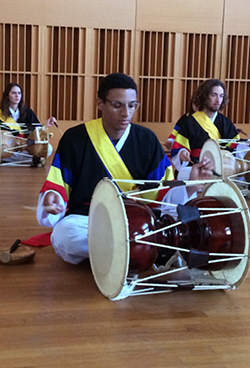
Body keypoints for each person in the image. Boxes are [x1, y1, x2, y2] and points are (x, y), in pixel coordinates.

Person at [37, 73, 213, 264]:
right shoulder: (75, 139)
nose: (126, 113)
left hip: (139, 223)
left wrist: (191, 185)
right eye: (117, 105)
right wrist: (52, 198)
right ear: (100, 104)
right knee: (65, 237)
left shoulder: (148, 140)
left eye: (132, 105)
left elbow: (162, 195)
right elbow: (57, 186)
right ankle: (138, 253)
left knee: (180, 229)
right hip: (90, 220)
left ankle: (115, 254)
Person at [168, 79, 250, 178]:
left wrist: (248, 141)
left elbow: (235, 148)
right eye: (214, 95)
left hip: (222, 170)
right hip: (197, 168)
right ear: (204, 96)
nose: (218, 100)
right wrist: (182, 153)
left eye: (221, 96)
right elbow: (179, 148)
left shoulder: (225, 122)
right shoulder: (189, 122)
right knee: (184, 174)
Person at [0, 83, 57, 163]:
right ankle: (27, 159)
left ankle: (15, 159)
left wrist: (46, 126)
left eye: (19, 93)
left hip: (26, 148)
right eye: (13, 93)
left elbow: (37, 133)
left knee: (49, 148)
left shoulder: (28, 112)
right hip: (8, 148)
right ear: (7, 96)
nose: (17, 95)